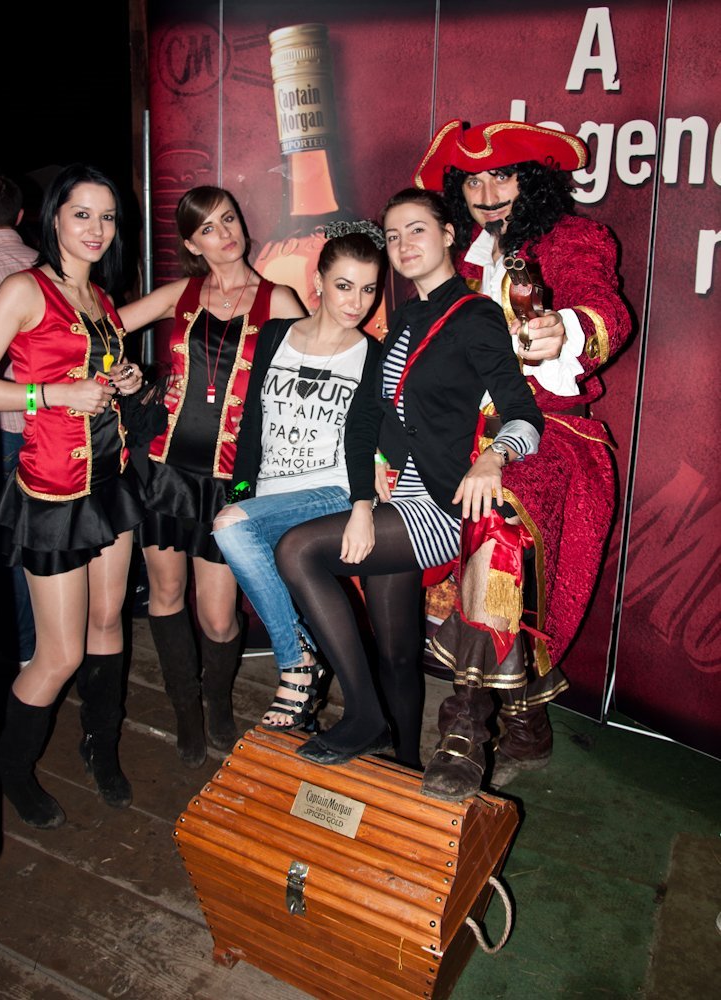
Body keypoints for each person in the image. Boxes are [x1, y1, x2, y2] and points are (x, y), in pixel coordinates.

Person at [274, 188, 544, 769]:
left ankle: (364, 716)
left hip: (441, 506)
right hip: (399, 496)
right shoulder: (405, 318)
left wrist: (494, 457)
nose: (403, 245)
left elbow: (525, 413)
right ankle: (400, 762)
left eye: (417, 230)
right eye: (393, 236)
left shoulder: (475, 314)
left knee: (298, 550)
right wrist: (374, 468)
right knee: (396, 650)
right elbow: (382, 411)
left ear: (447, 235)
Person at [411, 119, 632, 796]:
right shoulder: (456, 257)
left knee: (496, 516)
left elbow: (607, 310)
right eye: (472, 181)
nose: (486, 194)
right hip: (460, 434)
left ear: (530, 180)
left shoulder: (573, 240)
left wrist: (564, 328)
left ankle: (464, 726)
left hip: (551, 432)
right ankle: (526, 713)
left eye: (501, 176)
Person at [118, 186, 304, 767]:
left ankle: (218, 702)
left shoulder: (279, 299)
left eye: (228, 219)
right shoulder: (181, 293)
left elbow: (322, 371)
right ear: (193, 244)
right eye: (207, 228)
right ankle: (185, 711)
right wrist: (135, 377)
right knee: (166, 594)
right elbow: (100, 330)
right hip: (167, 471)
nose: (223, 233)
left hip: (231, 480)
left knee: (220, 617)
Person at [0, 163, 144, 828]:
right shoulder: (24, 289)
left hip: (110, 483)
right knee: (60, 653)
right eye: (82, 213)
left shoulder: (100, 298)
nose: (96, 228)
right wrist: (50, 394)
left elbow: (96, 375)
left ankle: (100, 748)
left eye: (107, 216)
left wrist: (123, 379)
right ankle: (11, 765)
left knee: (108, 623)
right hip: (52, 491)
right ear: (52, 216)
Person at [212, 222, 385, 730]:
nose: (356, 302)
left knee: (229, 526)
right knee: (237, 526)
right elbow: (251, 422)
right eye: (344, 286)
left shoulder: (371, 353)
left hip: (329, 491)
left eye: (368, 289)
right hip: (270, 493)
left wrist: (362, 503)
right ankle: (308, 678)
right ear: (319, 282)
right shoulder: (275, 335)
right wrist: (241, 490)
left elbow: (363, 437)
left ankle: (296, 663)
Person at [0, 172, 39, 667]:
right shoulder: (40, 269)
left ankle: (27, 652)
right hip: (36, 431)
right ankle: (30, 652)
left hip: (14, 431)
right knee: (26, 548)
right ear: (22, 216)